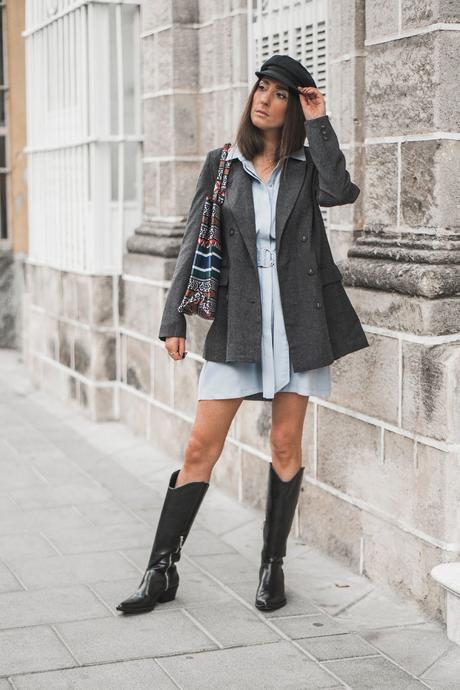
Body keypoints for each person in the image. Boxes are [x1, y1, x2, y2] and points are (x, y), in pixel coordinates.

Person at [116, 55, 368, 615]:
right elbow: (191, 240)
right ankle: (160, 570)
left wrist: (320, 120)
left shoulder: (306, 165)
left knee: (283, 444)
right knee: (200, 445)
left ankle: (272, 566)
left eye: (280, 94)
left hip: (299, 320)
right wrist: (172, 317)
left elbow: (340, 191)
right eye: (262, 89)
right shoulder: (222, 164)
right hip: (240, 321)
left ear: (292, 107)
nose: (266, 99)